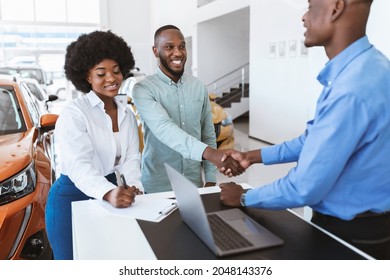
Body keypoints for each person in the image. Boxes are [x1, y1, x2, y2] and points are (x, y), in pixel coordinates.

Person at [219, 0, 390, 259]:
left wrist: (243, 197)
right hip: (364, 227)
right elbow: (314, 140)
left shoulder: (352, 88)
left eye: (310, 6)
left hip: (353, 236)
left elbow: (305, 187)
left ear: (335, 7)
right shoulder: (369, 68)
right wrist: (252, 157)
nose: (304, 16)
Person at [45, 30, 144, 260]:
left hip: (112, 191)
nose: (111, 78)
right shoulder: (74, 113)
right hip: (71, 196)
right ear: (87, 77)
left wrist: (134, 186)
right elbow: (79, 165)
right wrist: (107, 192)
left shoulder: (126, 114)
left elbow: (131, 157)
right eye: (101, 73)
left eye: (116, 71)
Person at [132, 25, 243, 193]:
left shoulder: (198, 86)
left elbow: (208, 134)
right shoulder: (143, 89)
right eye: (169, 47)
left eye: (182, 46)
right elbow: (165, 129)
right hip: (157, 185)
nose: (178, 53)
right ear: (155, 51)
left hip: (194, 182)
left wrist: (211, 179)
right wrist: (214, 155)